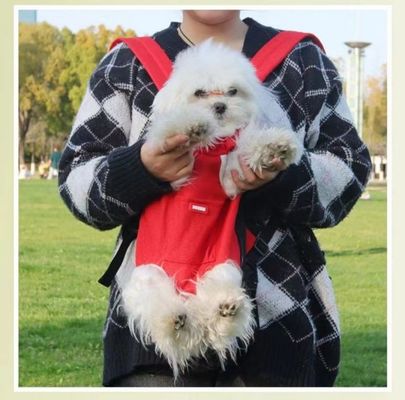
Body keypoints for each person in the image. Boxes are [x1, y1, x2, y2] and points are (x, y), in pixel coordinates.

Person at [58, 10, 371, 387]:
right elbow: (76, 183)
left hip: (280, 328)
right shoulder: (125, 65)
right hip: (151, 345)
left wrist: (283, 175)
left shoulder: (303, 61)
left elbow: (350, 167)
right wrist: (140, 168)